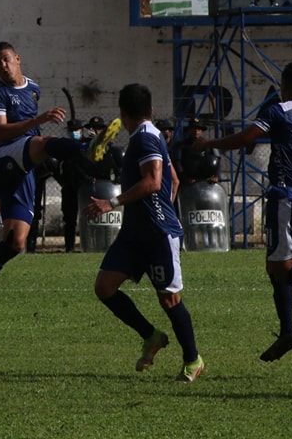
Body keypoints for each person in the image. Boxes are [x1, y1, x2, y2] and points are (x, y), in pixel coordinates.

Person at [0, 42, 116, 327]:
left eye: (6, 60)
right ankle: (87, 147)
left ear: (17, 59)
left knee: (15, 243)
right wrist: (39, 121)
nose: (2, 66)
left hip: (23, 167)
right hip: (1, 155)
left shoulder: (32, 88)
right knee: (45, 143)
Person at [86, 83, 204, 382]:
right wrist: (163, 206)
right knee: (105, 287)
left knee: (169, 300)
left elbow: (154, 181)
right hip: (134, 233)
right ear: (150, 110)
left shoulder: (145, 139)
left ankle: (193, 359)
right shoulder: (148, 135)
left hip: (156, 235)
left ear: (122, 112)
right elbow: (173, 180)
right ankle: (151, 336)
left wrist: (111, 203)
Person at [191, 62, 292, 362]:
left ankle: (289, 330)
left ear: (285, 85)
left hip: (285, 197)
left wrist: (207, 143)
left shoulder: (278, 110)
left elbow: (245, 138)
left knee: (281, 269)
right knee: (280, 268)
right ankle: (287, 331)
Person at [54, 118, 87, 252]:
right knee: (69, 219)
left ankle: (87, 245)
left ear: (81, 131)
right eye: (71, 131)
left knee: (87, 218)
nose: (74, 133)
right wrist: (61, 181)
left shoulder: (85, 145)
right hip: (68, 187)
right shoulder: (64, 147)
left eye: (76, 130)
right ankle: (70, 247)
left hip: (85, 187)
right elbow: (55, 166)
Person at [174, 118, 219, 185]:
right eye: (193, 129)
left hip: (206, 182)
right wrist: (184, 177)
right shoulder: (181, 145)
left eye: (199, 129)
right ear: (189, 130)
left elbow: (216, 160)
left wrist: (215, 176)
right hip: (188, 182)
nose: (196, 132)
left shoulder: (208, 145)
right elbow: (177, 162)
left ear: (202, 131)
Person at [154, 118, 180, 202]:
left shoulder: (177, 146)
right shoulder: (154, 146)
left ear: (171, 132)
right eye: (161, 130)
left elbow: (175, 180)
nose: (163, 133)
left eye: (166, 130)